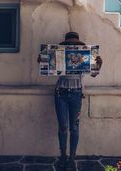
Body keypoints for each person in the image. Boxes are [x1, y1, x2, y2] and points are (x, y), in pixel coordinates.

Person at [39, 32, 102, 170]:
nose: (72, 46)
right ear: (66, 45)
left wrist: (98, 63)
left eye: (74, 44)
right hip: (60, 93)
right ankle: (63, 156)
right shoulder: (59, 55)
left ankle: (72, 157)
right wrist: (43, 58)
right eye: (69, 44)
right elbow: (44, 66)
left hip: (76, 94)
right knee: (63, 127)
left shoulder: (85, 56)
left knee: (74, 127)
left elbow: (94, 74)